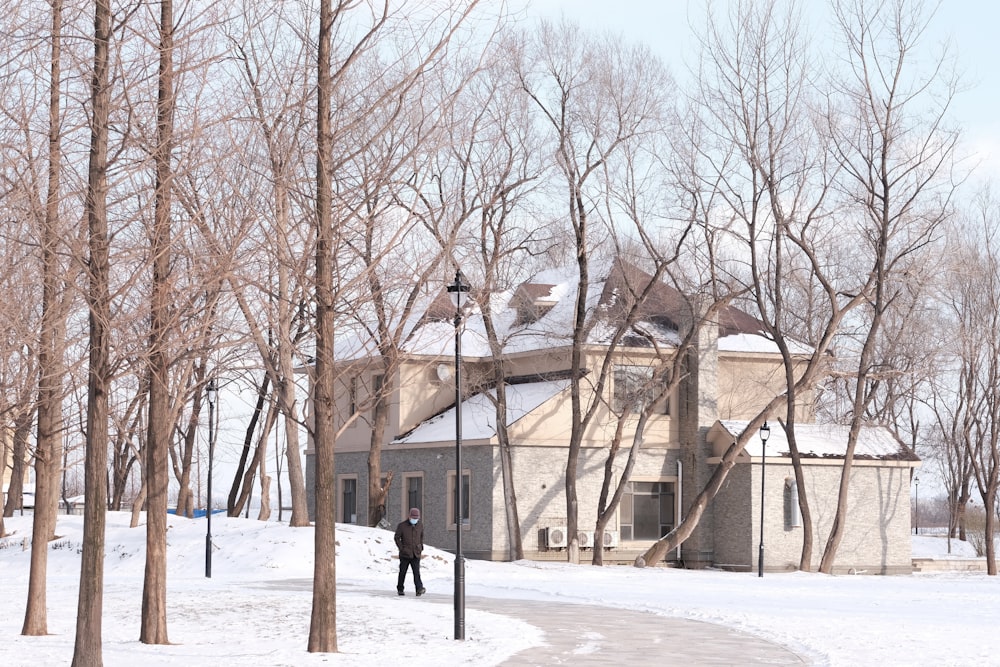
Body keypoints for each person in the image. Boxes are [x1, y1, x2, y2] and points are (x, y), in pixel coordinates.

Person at [394, 507, 425, 596]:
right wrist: (401, 548)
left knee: (416, 572)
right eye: (413, 518)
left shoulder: (420, 525)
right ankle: (400, 588)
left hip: (416, 553)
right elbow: (396, 538)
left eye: (416, 518)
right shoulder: (402, 526)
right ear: (409, 517)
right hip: (405, 554)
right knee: (402, 572)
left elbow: (421, 536)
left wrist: (420, 546)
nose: (415, 520)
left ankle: (419, 589)